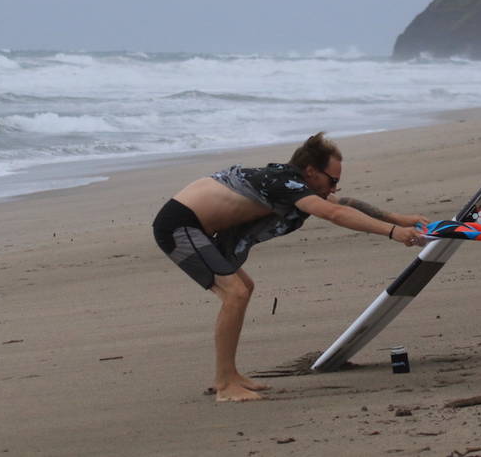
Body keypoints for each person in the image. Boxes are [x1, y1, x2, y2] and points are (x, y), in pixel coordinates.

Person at [152, 132, 428, 402]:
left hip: (197, 228)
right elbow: (335, 213)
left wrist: (401, 219)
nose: (333, 189)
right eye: (331, 180)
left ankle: (232, 375)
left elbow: (344, 203)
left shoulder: (294, 184)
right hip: (179, 225)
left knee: (244, 288)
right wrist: (392, 232)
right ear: (310, 171)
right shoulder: (284, 182)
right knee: (234, 293)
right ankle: (225, 384)